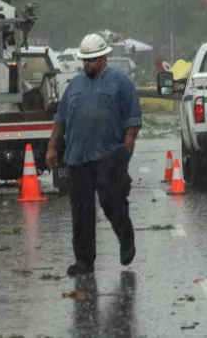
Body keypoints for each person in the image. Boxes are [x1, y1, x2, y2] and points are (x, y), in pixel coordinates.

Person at [47, 33, 142, 276]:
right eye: (84, 60)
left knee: (111, 201)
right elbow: (60, 119)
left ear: (103, 58)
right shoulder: (75, 86)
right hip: (78, 157)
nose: (87, 64)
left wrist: (127, 149)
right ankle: (84, 260)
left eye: (91, 60)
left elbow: (133, 119)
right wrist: (52, 147)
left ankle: (126, 238)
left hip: (110, 154)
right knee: (81, 209)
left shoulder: (121, 83)